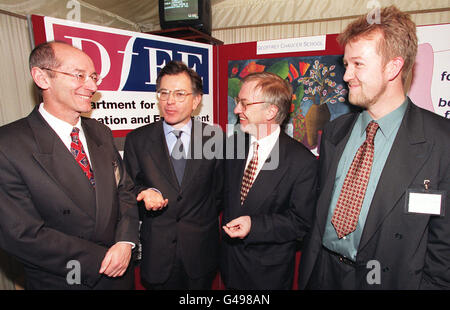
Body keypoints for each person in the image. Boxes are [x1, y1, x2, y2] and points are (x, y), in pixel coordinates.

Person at [298, 6, 450, 290]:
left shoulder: (441, 142)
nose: (346, 76)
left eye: (358, 64)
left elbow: (443, 252)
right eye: (346, 64)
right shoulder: (335, 131)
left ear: (393, 67)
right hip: (323, 275)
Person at [0, 41, 139, 289]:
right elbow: (20, 233)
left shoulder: (100, 132)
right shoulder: (8, 145)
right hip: (64, 279)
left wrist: (126, 242)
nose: (93, 86)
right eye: (79, 75)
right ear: (42, 78)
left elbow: (124, 191)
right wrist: (105, 259)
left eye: (94, 77)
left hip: (120, 275)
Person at [123, 60, 223, 290]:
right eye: (164, 93)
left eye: (179, 94)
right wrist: (143, 193)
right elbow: (127, 190)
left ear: (196, 100)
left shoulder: (215, 138)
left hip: (200, 255)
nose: (170, 101)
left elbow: (218, 194)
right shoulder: (137, 140)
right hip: (158, 255)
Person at [220, 71, 318, 290]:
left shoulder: (302, 162)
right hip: (229, 267)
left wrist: (254, 226)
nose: (236, 110)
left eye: (244, 104)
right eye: (238, 102)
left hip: (266, 276)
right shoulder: (232, 146)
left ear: (271, 111)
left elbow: (301, 223)